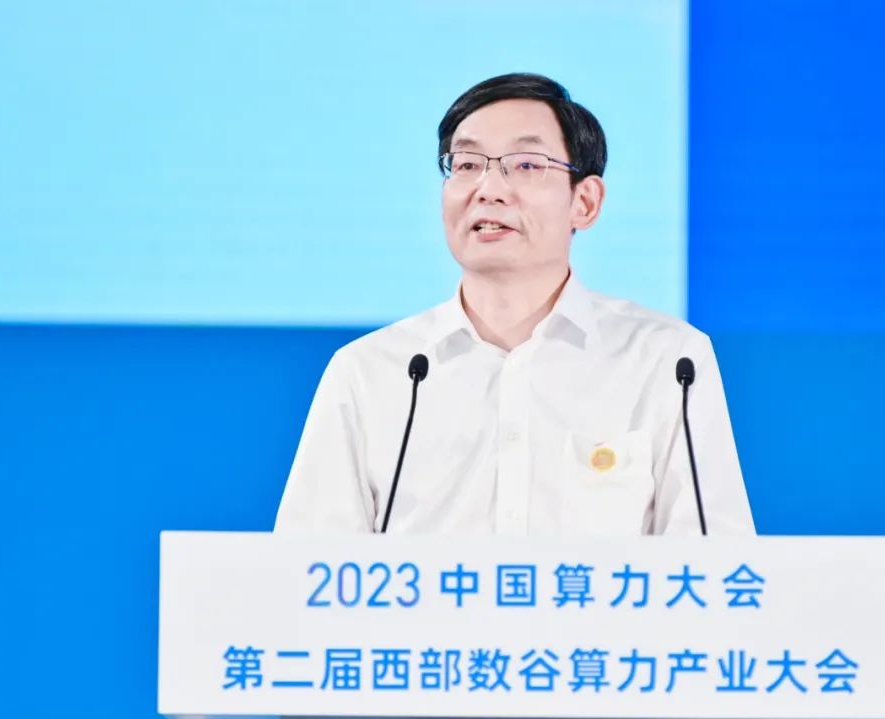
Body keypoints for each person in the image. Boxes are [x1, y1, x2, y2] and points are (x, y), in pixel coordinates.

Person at [274, 73, 754, 536]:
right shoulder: (370, 372)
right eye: (466, 165)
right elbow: (303, 573)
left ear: (585, 202)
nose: (488, 189)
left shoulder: (668, 361)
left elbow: (718, 568)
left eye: (526, 165)